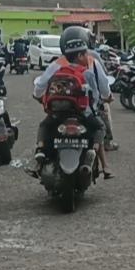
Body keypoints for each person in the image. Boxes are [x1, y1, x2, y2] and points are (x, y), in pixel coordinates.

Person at [29, 27, 113, 179]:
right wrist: (106, 98)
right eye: (85, 52)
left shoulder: (55, 65)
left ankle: (40, 155)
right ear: (81, 53)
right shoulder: (91, 65)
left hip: (58, 113)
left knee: (44, 126)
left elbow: (40, 86)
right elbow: (101, 89)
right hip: (84, 113)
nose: (87, 55)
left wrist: (38, 96)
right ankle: (98, 157)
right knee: (100, 127)